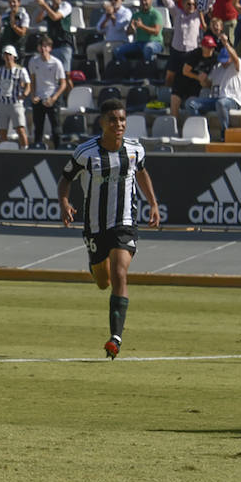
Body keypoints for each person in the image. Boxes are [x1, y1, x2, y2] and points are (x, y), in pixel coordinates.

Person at [57, 98, 161, 359]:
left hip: (125, 222)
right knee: (103, 281)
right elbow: (65, 179)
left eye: (122, 119)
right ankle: (96, 269)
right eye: (113, 119)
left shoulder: (135, 150)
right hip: (94, 226)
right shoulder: (86, 152)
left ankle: (116, 337)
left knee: (119, 272)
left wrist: (153, 203)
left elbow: (142, 172)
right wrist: (64, 203)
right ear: (102, 122)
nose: (119, 124)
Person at [0, 44, 30, 148]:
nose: (7, 57)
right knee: (2, 131)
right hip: (2, 103)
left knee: (20, 129)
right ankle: (5, 150)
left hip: (16, 103)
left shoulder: (21, 70)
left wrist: (25, 94)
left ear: (14, 56)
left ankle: (25, 150)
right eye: (5, 55)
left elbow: (28, 85)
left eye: (9, 54)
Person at [27, 35, 68, 148]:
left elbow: (63, 83)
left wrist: (54, 98)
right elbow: (33, 80)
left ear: (50, 48)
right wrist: (33, 95)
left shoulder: (56, 63)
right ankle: (37, 149)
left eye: (46, 46)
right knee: (38, 128)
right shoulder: (33, 61)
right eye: (41, 46)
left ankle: (58, 151)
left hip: (52, 97)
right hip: (39, 98)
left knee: (56, 128)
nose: (43, 49)